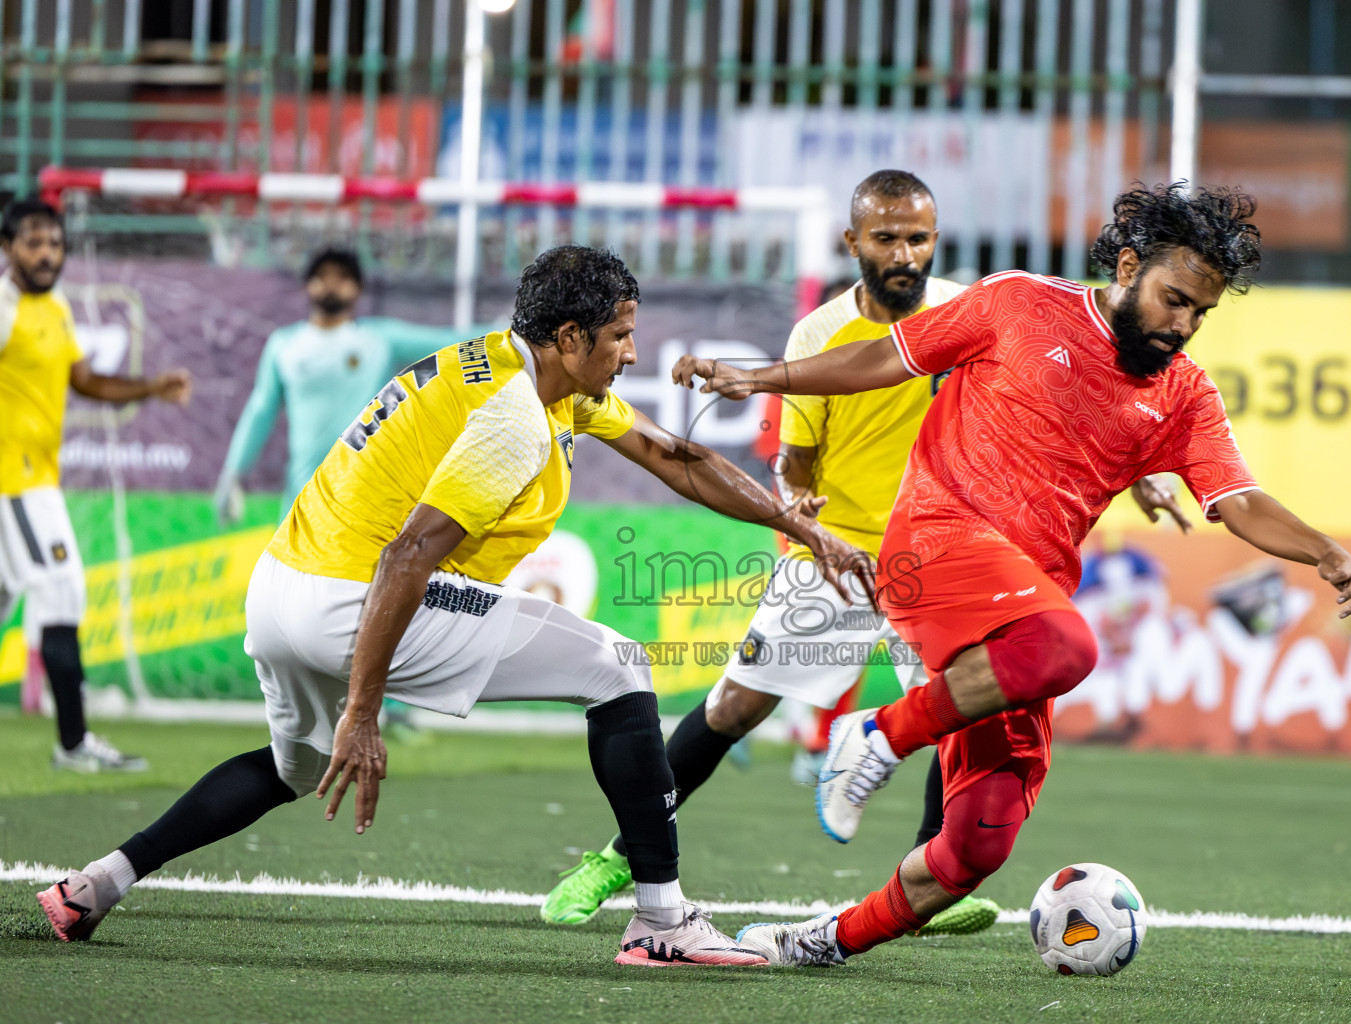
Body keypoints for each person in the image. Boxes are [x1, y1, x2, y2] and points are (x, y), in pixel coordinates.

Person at [36, 245, 866, 967]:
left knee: (291, 766)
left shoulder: (527, 371)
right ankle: (661, 922)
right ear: (572, 338)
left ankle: (95, 883)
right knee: (620, 667)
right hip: (356, 600)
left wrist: (797, 525)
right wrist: (365, 708)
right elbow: (409, 554)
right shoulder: (511, 420)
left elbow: (674, 458)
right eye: (619, 337)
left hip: (281, 589)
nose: (632, 353)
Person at [672, 183, 1351, 966]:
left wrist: (1324, 549)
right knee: (1071, 647)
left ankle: (819, 941)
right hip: (938, 544)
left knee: (975, 847)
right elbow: (886, 357)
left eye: (1200, 313)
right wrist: (762, 379)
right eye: (1175, 299)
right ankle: (873, 735)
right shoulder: (1014, 304)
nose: (1183, 325)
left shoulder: (1183, 396)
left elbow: (1237, 500)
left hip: (1018, 617)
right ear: (1130, 265)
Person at [541, 170, 1190, 939]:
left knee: (964, 708)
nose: (904, 252)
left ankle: (929, 875)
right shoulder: (818, 336)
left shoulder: (970, 309)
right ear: (854, 243)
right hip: (840, 552)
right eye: (886, 237)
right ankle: (622, 854)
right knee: (736, 705)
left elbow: (1076, 403)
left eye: (918, 237)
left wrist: (1145, 476)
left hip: (952, 554)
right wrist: (797, 502)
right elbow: (796, 456)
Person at [0, 196, 192, 772]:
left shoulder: (53, 306)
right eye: (33, 242)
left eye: (54, 243)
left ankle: (74, 742)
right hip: (16, 481)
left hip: (35, 478)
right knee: (61, 590)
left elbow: (82, 380)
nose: (46, 253)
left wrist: (150, 387)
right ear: (8, 247)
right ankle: (74, 742)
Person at [214, 247, 480, 524]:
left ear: (357, 288)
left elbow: (452, 342)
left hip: (368, 498)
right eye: (322, 275)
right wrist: (233, 472)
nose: (331, 283)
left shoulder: (378, 339)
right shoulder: (284, 345)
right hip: (302, 499)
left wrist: (513, 330)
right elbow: (260, 410)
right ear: (308, 284)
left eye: (342, 276)